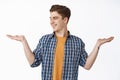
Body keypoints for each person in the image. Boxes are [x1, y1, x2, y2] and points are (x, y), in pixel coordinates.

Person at [7, 4, 114, 80]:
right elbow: (33, 62)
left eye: (55, 18)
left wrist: (98, 45)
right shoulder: (45, 40)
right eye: (50, 18)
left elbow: (87, 65)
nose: (51, 22)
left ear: (65, 20)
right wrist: (24, 41)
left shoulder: (77, 42)